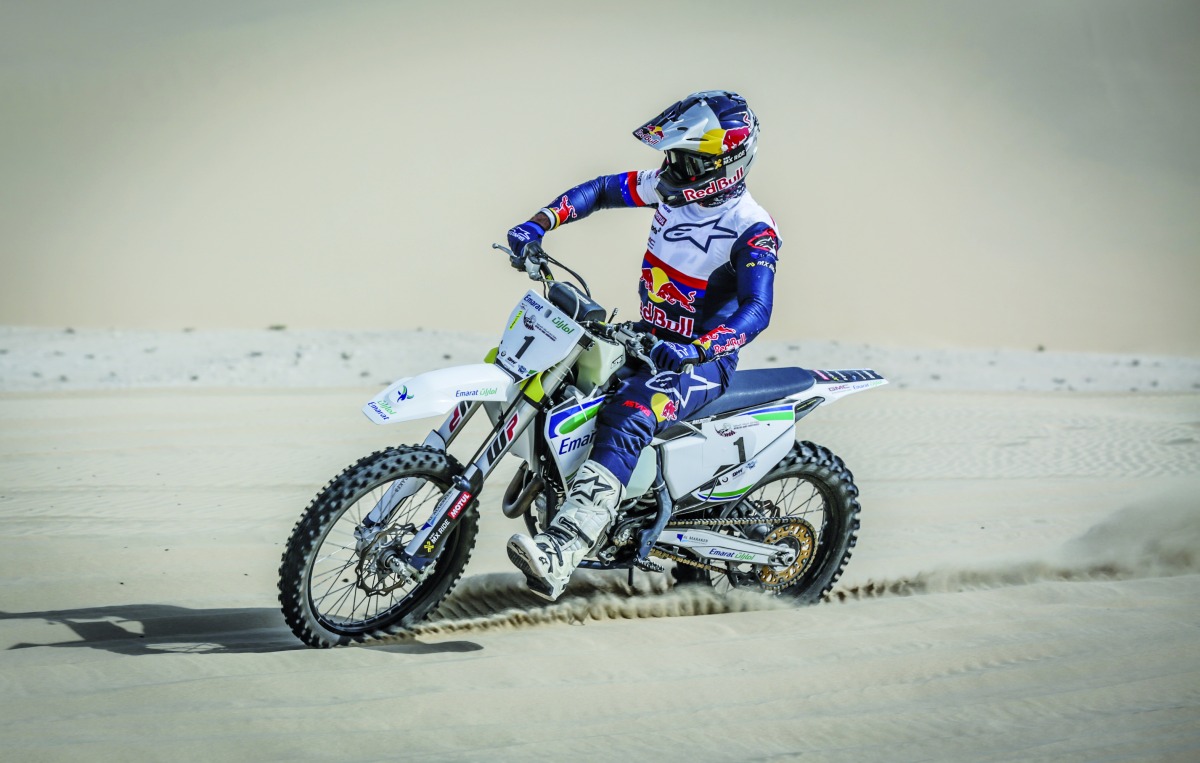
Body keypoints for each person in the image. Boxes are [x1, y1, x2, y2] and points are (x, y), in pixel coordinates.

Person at [504, 90, 781, 601]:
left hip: (701, 360)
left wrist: (700, 349)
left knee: (630, 412)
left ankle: (565, 548)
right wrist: (539, 224)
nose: (671, 169)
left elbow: (757, 309)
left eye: (686, 161)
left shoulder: (752, 229)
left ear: (725, 164)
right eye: (671, 156)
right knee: (564, 380)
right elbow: (600, 190)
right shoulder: (670, 188)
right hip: (648, 336)